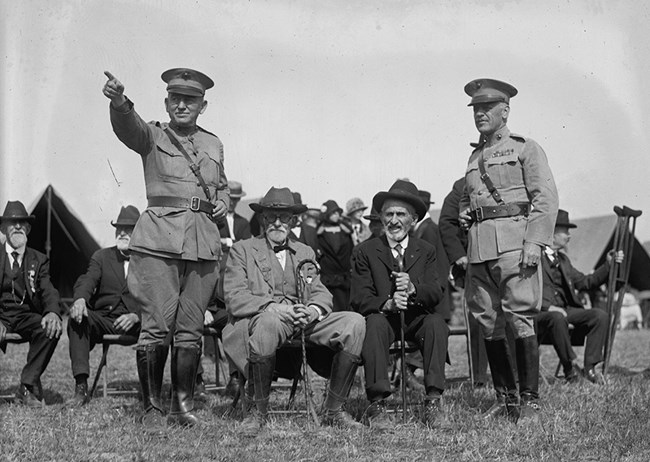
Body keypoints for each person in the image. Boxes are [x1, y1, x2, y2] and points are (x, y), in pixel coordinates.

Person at [103, 68, 230, 427]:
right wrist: (118, 101)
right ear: (166, 102)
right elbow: (129, 127)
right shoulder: (153, 135)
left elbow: (219, 185)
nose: (182, 105)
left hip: (203, 245)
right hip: (159, 243)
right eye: (175, 98)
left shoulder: (213, 143)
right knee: (157, 326)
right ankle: (152, 409)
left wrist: (222, 200)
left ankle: (183, 407)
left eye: (190, 100)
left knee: (190, 329)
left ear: (202, 106)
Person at [222, 187, 366, 436]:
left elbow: (320, 291)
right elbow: (235, 297)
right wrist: (274, 307)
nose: (277, 223)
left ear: (293, 220)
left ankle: (334, 409)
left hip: (302, 320)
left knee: (354, 322)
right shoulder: (242, 250)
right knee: (268, 321)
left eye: (284, 217)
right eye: (270, 217)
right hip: (264, 319)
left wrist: (312, 310)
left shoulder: (304, 252)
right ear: (262, 218)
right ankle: (258, 412)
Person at [459, 79, 559, 423]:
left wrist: (535, 242)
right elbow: (466, 196)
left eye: (487, 108)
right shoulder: (474, 155)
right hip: (479, 250)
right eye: (476, 109)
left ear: (505, 110)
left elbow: (545, 198)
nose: (480, 114)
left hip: (515, 246)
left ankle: (529, 400)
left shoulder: (525, 148)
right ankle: (506, 399)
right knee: (488, 321)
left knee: (520, 317)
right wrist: (463, 210)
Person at [351, 180, 449, 430]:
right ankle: (378, 404)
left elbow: (436, 291)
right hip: (384, 319)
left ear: (413, 219)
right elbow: (359, 297)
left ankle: (434, 401)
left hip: (415, 319)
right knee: (373, 324)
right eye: (389, 214)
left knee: (436, 322)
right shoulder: (365, 251)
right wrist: (388, 304)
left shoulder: (426, 250)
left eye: (401, 214)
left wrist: (414, 289)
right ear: (381, 218)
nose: (394, 220)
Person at [536, 209, 623, 384]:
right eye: (565, 231)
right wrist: (546, 306)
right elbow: (525, 289)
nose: (569, 236)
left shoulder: (563, 260)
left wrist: (607, 265)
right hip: (539, 313)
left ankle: (590, 368)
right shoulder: (534, 257)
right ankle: (570, 370)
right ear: (551, 232)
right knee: (557, 316)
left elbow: (585, 282)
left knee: (600, 315)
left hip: (564, 311)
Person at [67, 205, 142, 406]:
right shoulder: (102, 256)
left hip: (139, 323)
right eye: (119, 228)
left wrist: (137, 316)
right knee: (77, 318)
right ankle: (81, 387)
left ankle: (152, 390)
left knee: (159, 324)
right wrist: (80, 299)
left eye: (128, 228)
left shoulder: (149, 260)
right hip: (106, 320)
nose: (122, 233)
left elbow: (157, 297)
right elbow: (87, 280)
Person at [0, 201, 63, 406]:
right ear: (3, 228)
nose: (18, 226)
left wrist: (53, 312)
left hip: (26, 316)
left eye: (22, 223)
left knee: (49, 328)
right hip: (1, 316)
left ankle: (26, 386)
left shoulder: (39, 259)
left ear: (27, 229)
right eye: (12, 222)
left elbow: (48, 289)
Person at [438, 177, 488, 387]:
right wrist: (459, 255)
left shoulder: (510, 177)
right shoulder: (462, 185)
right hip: (475, 263)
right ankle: (479, 378)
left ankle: (514, 376)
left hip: (506, 261)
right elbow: (447, 223)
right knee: (479, 319)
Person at [316, 200, 354, 312]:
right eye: (333, 213)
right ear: (327, 215)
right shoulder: (319, 233)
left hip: (344, 278)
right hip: (328, 278)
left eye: (338, 212)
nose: (337, 215)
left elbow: (350, 251)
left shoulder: (345, 231)